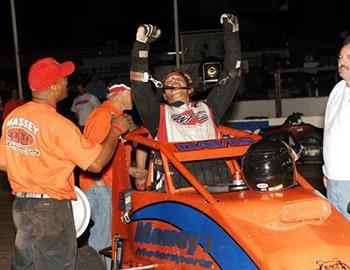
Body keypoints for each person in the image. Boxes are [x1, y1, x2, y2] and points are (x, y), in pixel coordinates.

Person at [0, 57, 134, 270]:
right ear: (53, 86)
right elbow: (96, 163)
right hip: (50, 210)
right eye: (63, 78)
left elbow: (5, 163)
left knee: (27, 265)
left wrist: (37, 168)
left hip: (22, 207)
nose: (66, 83)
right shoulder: (58, 124)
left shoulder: (14, 117)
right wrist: (115, 130)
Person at [130, 13, 241, 188]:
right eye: (168, 82)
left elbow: (232, 76)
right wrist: (141, 47)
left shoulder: (209, 107)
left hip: (218, 172)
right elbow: (139, 88)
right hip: (179, 178)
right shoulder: (158, 115)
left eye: (177, 79)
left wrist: (232, 36)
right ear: (164, 94)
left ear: (189, 89)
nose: (173, 81)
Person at [80, 80, 147, 269]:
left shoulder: (117, 117)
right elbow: (92, 154)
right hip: (100, 188)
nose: (134, 97)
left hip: (110, 186)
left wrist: (130, 170)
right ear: (118, 94)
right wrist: (99, 184)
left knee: (111, 238)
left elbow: (111, 155)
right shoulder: (102, 114)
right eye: (130, 93)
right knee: (102, 239)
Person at [323, 41, 350, 221]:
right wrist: (326, 171)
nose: (342, 62)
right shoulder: (338, 89)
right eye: (340, 57)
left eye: (349, 57)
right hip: (333, 181)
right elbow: (329, 133)